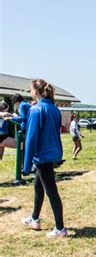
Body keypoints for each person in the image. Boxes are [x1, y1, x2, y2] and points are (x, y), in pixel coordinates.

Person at [21, 79, 67, 238]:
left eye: (31, 89)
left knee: (51, 191)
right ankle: (34, 218)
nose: (29, 92)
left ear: (37, 91)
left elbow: (31, 139)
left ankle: (60, 229)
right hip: (53, 153)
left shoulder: (36, 110)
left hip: (43, 156)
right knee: (38, 187)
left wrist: (26, 165)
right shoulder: (54, 109)